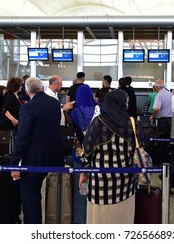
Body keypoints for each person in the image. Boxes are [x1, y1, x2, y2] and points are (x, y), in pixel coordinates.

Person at [78, 90, 142, 223]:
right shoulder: (133, 124)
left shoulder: (98, 122)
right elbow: (139, 150)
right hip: (126, 183)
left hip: (100, 184)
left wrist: (84, 171)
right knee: (123, 219)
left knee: (100, 221)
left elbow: (87, 152)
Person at [10, 77, 64, 224]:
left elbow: (23, 136)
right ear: (42, 88)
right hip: (52, 157)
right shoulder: (54, 104)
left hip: (32, 160)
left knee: (31, 199)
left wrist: (14, 163)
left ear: (26, 91)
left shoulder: (27, 108)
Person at [70, 84, 100, 224]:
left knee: (81, 189)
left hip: (82, 153)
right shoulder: (100, 109)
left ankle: (81, 221)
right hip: (99, 154)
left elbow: (80, 137)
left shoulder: (75, 113)